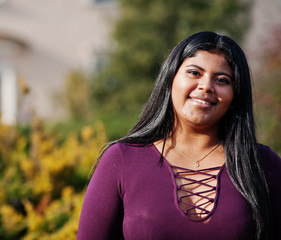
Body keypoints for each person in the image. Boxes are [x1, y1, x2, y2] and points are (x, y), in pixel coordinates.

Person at [77, 31, 281, 240]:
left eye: (222, 80)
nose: (206, 86)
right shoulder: (122, 160)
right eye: (194, 73)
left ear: (236, 94)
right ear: (170, 78)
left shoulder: (263, 165)